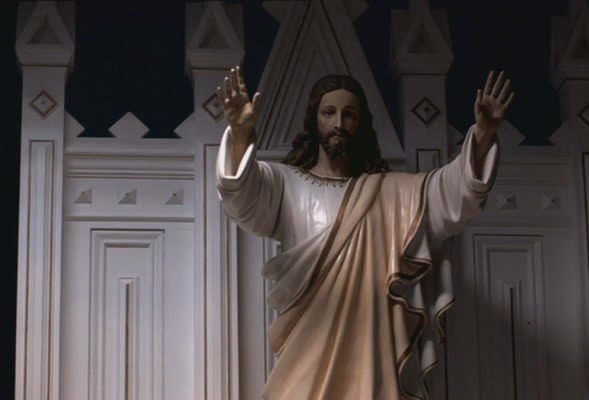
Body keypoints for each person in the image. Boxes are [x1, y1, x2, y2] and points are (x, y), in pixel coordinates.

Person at [215, 66, 513, 400]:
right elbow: (240, 196)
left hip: (370, 346)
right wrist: (240, 133)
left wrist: (483, 135)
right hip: (307, 340)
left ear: (361, 123)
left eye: (350, 114)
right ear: (314, 119)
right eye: (329, 112)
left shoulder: (389, 192)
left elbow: (450, 195)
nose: (339, 123)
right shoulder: (286, 184)